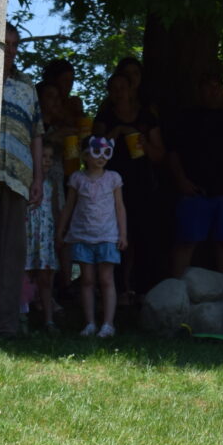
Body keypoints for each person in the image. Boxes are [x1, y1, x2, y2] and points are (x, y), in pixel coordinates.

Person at [167, 72, 223, 294]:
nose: (214, 91)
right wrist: (181, 181)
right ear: (200, 90)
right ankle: (176, 295)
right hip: (195, 192)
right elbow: (173, 154)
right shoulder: (185, 119)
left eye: (218, 86)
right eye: (208, 86)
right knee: (185, 243)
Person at [0, 24, 43, 337]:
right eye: (4, 43)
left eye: (14, 44)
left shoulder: (27, 86)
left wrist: (37, 177)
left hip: (18, 179)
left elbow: (37, 134)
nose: (10, 49)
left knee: (11, 255)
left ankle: (4, 325)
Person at [93, 68, 165, 298]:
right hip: (112, 186)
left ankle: (142, 288)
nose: (119, 93)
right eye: (113, 89)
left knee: (143, 237)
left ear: (131, 89)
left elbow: (160, 154)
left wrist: (143, 142)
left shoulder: (146, 116)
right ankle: (117, 288)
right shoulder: (105, 117)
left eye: (122, 88)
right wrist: (117, 132)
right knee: (115, 238)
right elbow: (94, 151)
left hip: (143, 185)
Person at [56, 135, 127, 338]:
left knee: (106, 279)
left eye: (106, 152)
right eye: (96, 152)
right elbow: (69, 206)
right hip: (82, 236)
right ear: (85, 155)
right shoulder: (77, 179)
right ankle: (89, 323)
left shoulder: (113, 178)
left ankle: (108, 324)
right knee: (86, 280)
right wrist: (61, 231)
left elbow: (120, 207)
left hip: (108, 236)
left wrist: (123, 234)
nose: (101, 157)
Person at [25, 142, 62, 330]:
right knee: (24, 274)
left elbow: (55, 210)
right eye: (43, 156)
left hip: (45, 236)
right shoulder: (25, 182)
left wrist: (57, 234)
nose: (47, 161)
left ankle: (49, 319)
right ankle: (21, 315)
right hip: (29, 233)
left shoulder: (50, 184)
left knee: (45, 277)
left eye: (50, 157)